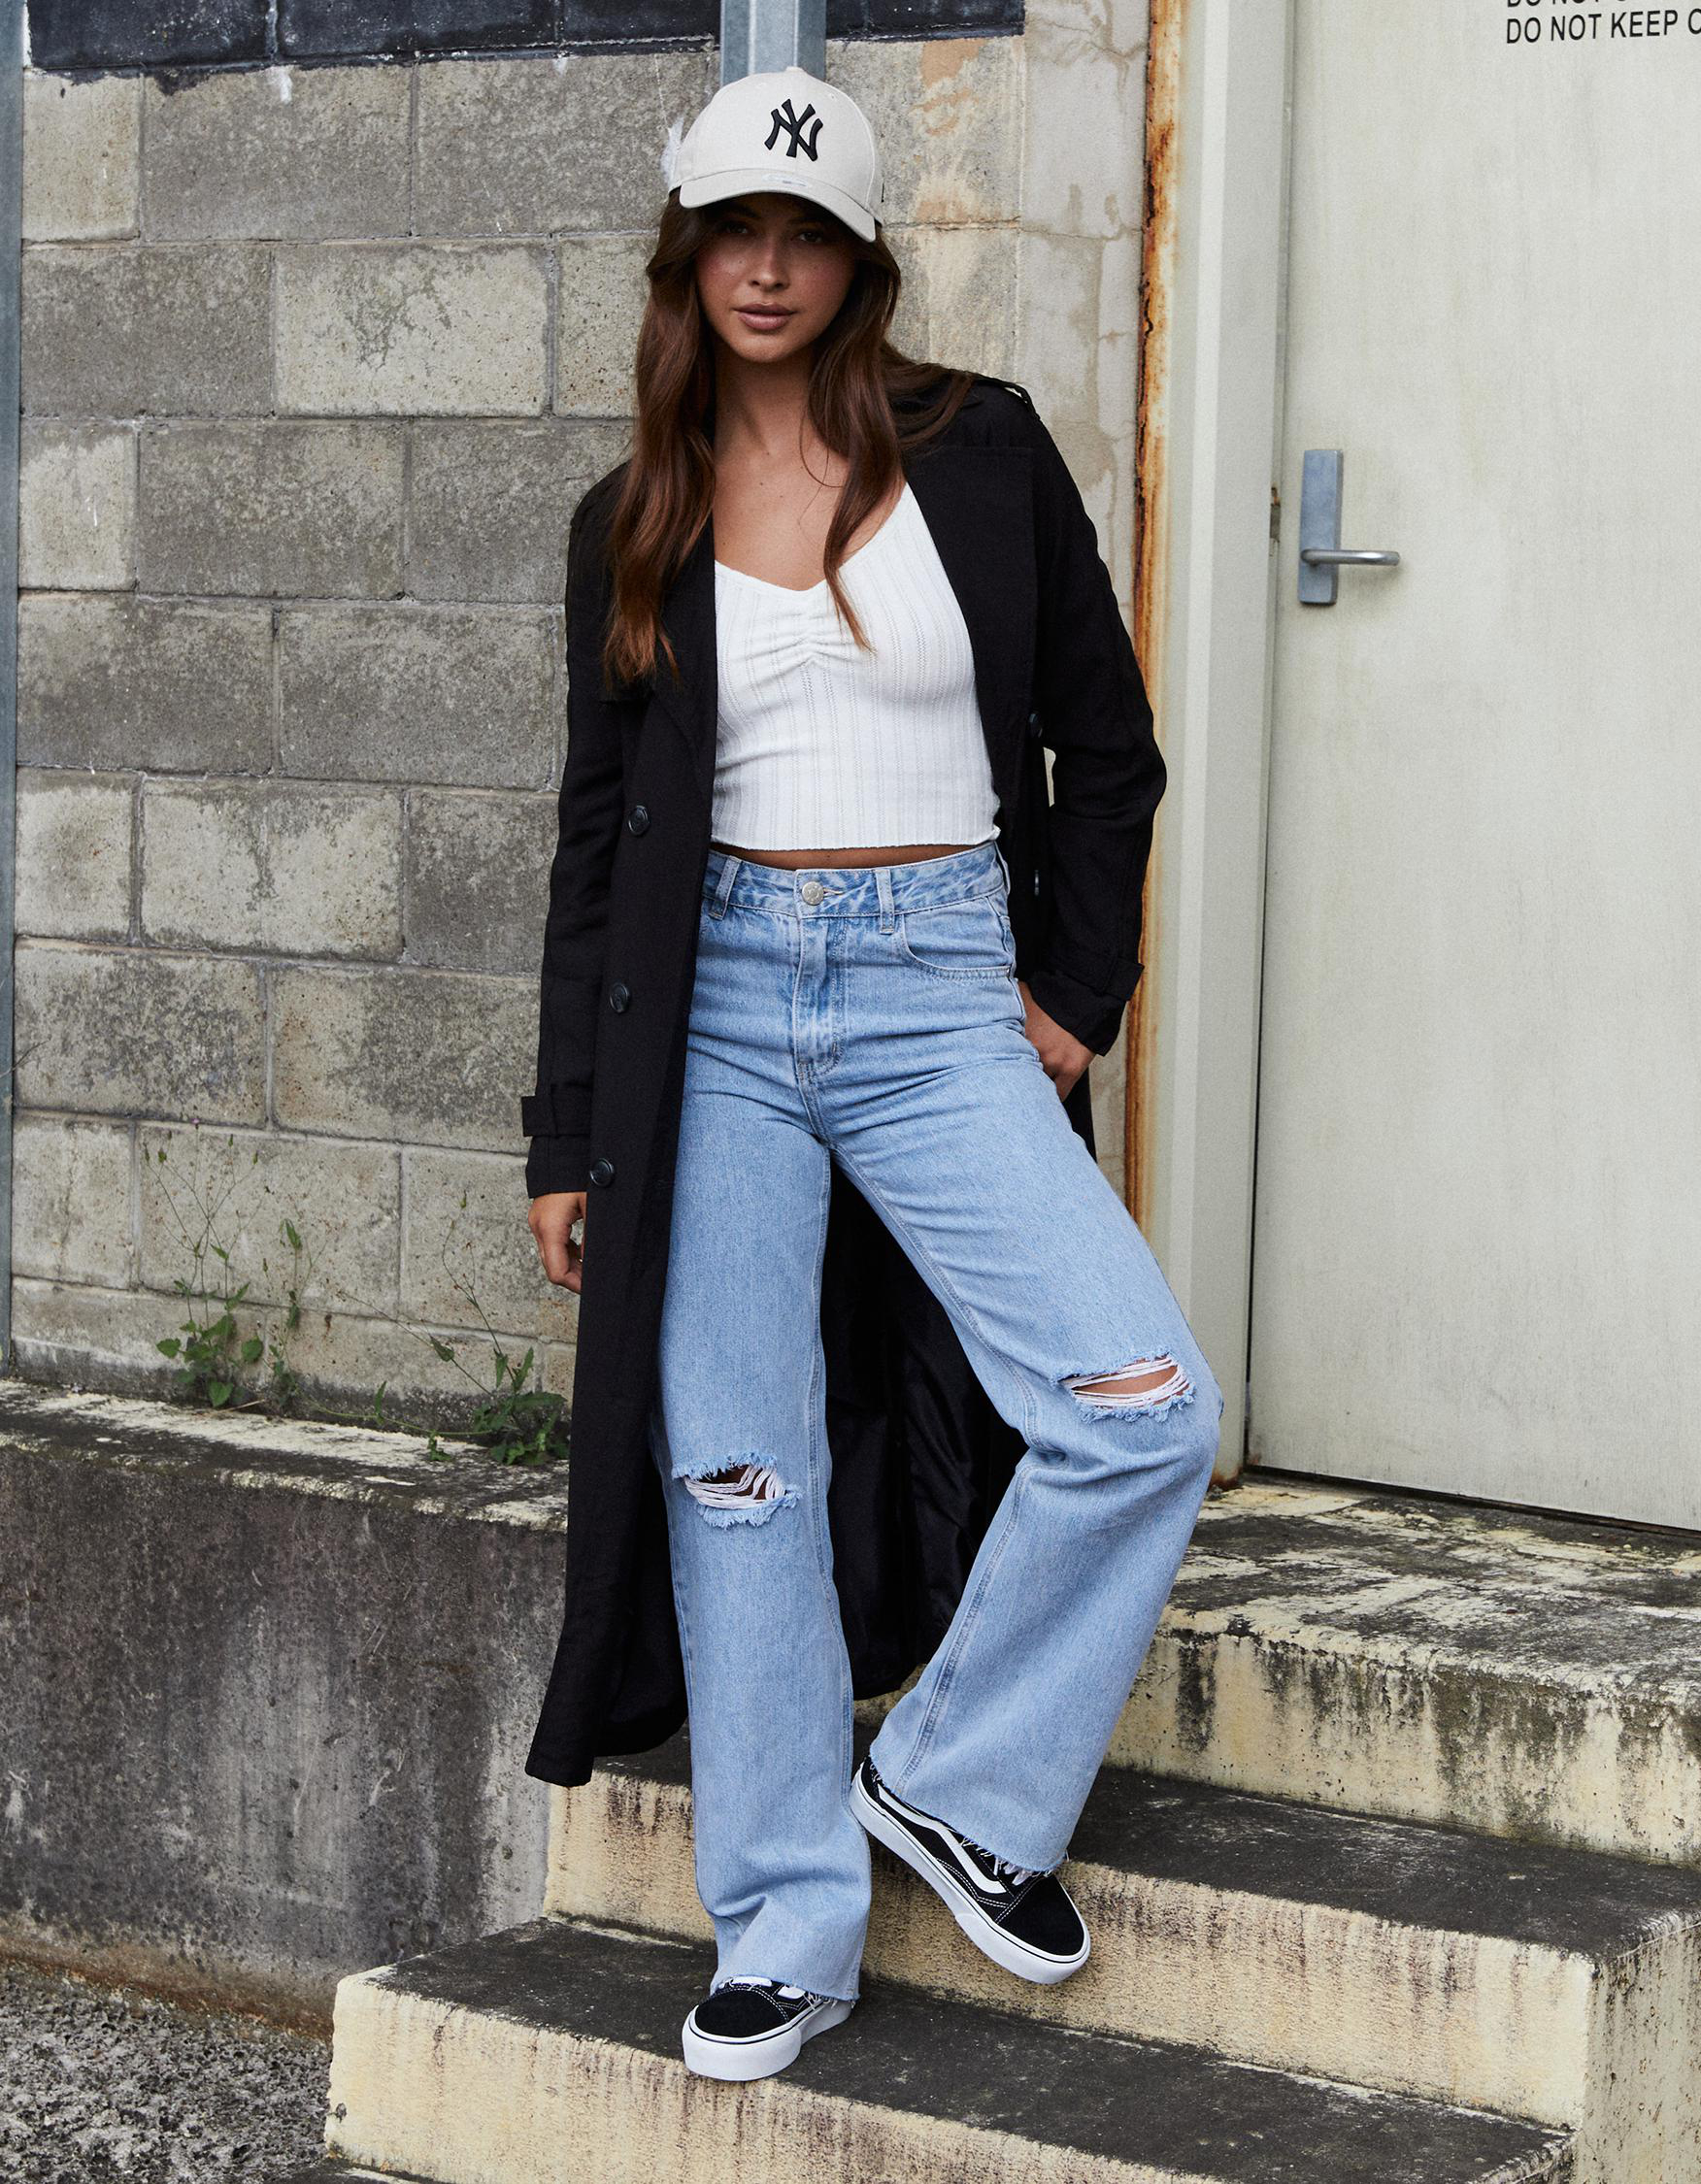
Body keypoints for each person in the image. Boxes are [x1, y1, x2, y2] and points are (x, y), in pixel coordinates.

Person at [524, 61, 1223, 2084]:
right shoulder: (630, 521)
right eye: (734, 233)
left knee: (1143, 1406)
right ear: (686, 256)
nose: (768, 269)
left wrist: (1071, 993)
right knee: (739, 1471)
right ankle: (781, 1919)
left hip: (938, 994)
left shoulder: (979, 452)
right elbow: (597, 847)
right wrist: (566, 1130)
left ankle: (957, 1779)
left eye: (806, 235)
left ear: (857, 262)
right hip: (715, 1014)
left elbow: (1111, 748)